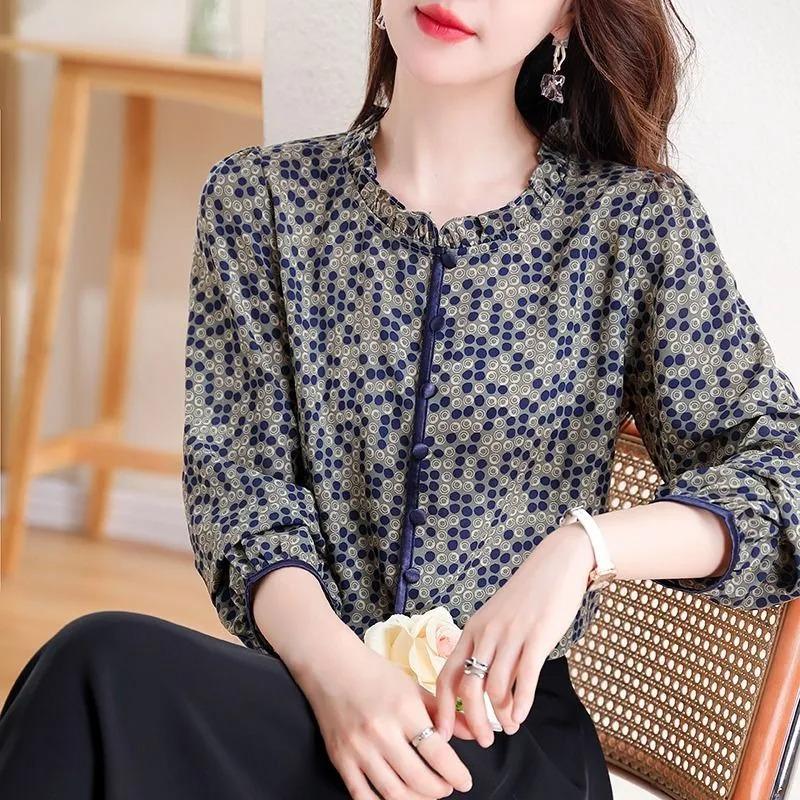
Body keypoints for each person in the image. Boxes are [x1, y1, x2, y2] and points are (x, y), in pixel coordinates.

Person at [2, 1, 800, 798]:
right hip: (312, 699)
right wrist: (339, 678)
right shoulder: (260, 202)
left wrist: (583, 548)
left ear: (564, 17)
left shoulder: (631, 225)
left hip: (501, 747)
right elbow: (241, 493)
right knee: (96, 674)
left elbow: (785, 471)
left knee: (91, 682)